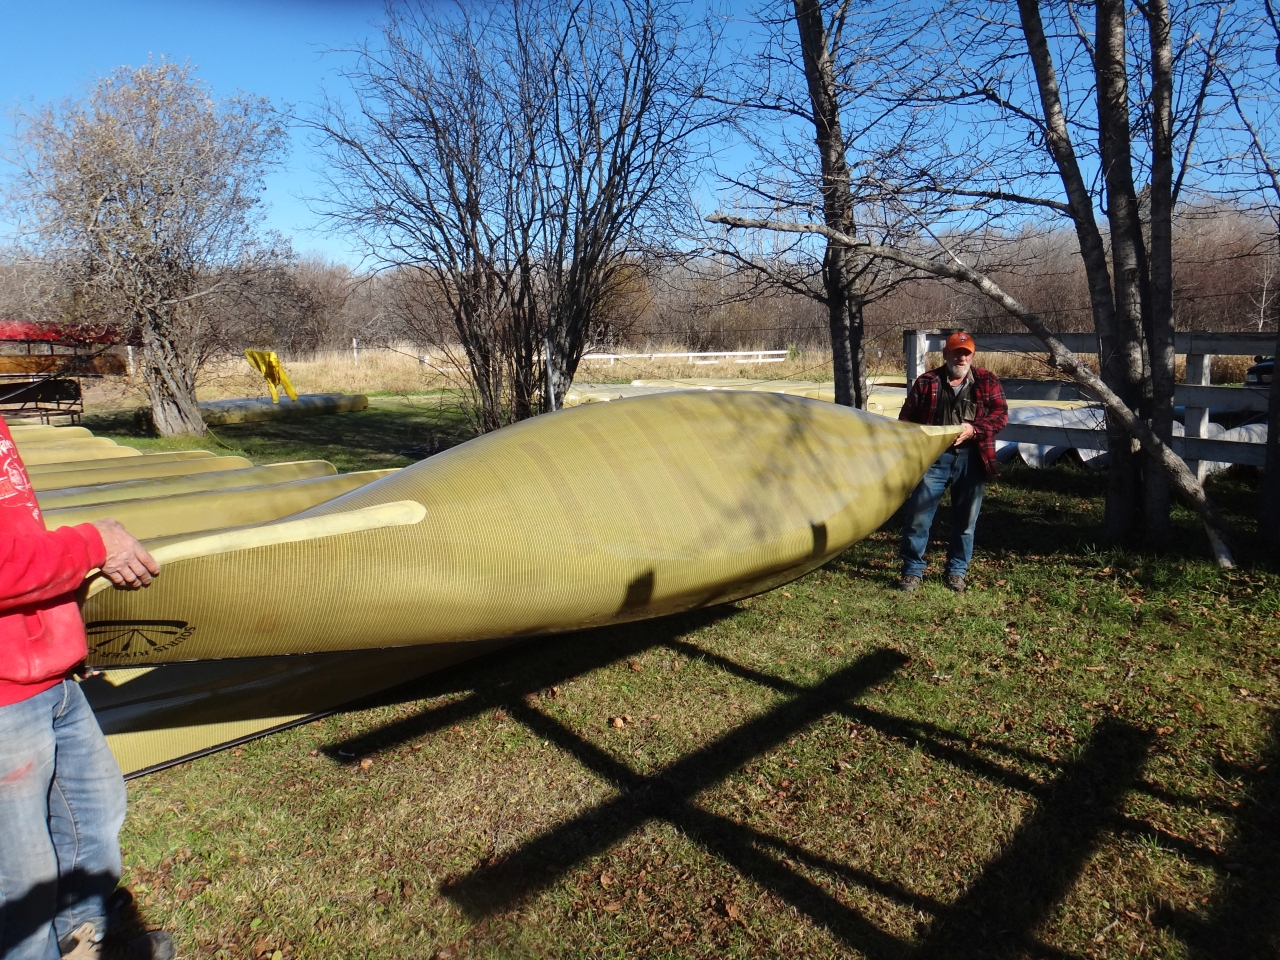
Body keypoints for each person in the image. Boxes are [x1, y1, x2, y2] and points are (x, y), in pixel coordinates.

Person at [0, 416, 171, 960]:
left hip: (49, 674)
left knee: (93, 816)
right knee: (21, 879)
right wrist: (94, 543)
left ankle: (83, 943)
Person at [897, 331, 1008, 594]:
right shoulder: (926, 382)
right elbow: (906, 420)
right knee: (918, 518)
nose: (961, 357)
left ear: (972, 355)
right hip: (933, 458)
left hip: (972, 457)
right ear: (945, 354)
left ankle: (956, 572)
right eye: (956, 352)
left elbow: (1000, 416)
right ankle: (912, 571)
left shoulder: (986, 381)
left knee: (966, 520)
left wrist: (974, 430)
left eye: (966, 353)